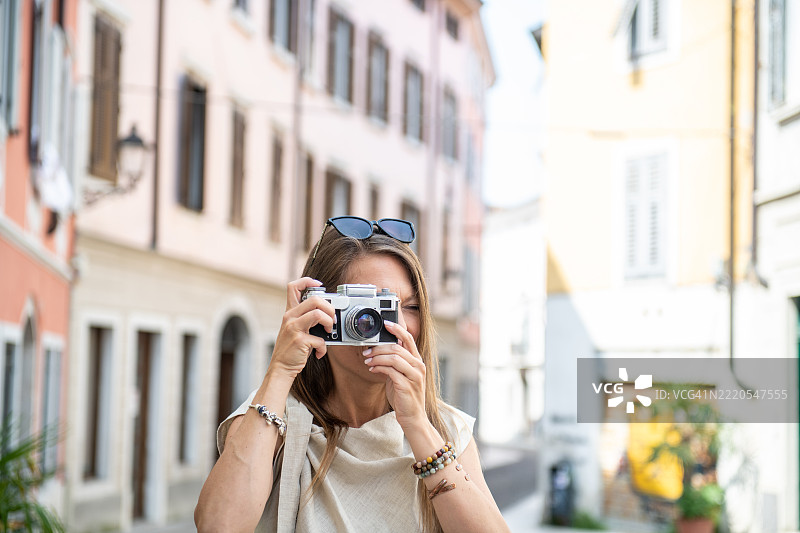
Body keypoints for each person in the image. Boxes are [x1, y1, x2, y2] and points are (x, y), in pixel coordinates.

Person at [195, 217, 509, 533]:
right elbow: (217, 527)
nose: (394, 324)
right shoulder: (271, 419)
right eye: (370, 307)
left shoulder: (447, 430)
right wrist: (280, 371)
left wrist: (417, 425)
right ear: (319, 310)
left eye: (409, 307)